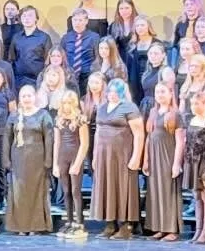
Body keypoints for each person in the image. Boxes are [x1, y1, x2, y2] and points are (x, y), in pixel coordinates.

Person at [89, 76, 144, 238]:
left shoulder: (129, 107)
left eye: (116, 92)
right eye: (110, 92)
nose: (112, 95)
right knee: (106, 186)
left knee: (123, 187)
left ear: (121, 93)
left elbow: (139, 134)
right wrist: (94, 156)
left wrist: (136, 157)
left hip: (123, 154)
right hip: (104, 155)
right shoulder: (102, 107)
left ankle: (126, 225)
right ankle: (110, 223)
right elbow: (98, 132)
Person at [4, 86, 53, 234]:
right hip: (18, 160)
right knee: (19, 193)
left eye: (29, 96)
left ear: (34, 97)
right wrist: (6, 160)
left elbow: (49, 139)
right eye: (23, 96)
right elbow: (7, 139)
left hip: (37, 160)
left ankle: (36, 227)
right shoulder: (13, 116)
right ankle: (20, 227)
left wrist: (48, 160)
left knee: (37, 193)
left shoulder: (43, 115)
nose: (26, 99)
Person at [143, 70, 183, 240]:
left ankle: (171, 229)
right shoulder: (153, 112)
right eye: (157, 92)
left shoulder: (175, 114)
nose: (159, 95)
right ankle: (159, 226)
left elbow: (181, 141)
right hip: (154, 155)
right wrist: (145, 159)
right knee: (156, 191)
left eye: (163, 92)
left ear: (170, 94)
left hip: (168, 155)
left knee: (168, 191)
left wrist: (176, 163)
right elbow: (148, 137)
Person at [182, 88, 205, 245]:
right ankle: (197, 230)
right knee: (196, 197)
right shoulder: (191, 120)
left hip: (203, 163)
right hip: (192, 163)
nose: (194, 106)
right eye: (192, 104)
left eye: (198, 103)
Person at [51, 89, 88, 237]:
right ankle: (69, 221)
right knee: (66, 191)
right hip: (62, 157)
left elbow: (84, 144)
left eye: (69, 103)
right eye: (64, 102)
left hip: (75, 156)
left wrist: (78, 163)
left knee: (75, 191)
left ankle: (79, 223)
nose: (66, 105)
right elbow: (57, 143)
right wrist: (55, 164)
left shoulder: (80, 119)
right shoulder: (59, 120)